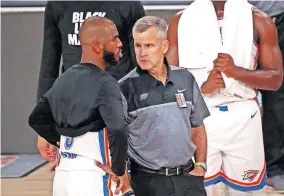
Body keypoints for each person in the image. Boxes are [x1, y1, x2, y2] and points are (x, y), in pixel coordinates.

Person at [167, 0, 283, 195]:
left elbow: (275, 79)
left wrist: (235, 71)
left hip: (244, 117)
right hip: (199, 117)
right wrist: (202, 88)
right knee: (197, 189)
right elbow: (167, 82)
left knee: (246, 191)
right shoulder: (181, 20)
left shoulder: (259, 20)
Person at [28, 17, 132, 196]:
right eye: (114, 38)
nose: (120, 43)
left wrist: (61, 142)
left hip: (63, 174)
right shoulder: (106, 83)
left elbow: (37, 118)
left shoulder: (64, 79)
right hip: (93, 174)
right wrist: (120, 169)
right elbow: (118, 129)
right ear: (98, 47)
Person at [36, 1, 145, 161]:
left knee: (121, 179)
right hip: (74, 114)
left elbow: (141, 65)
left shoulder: (128, 4)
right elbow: (49, 66)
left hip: (119, 111)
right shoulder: (58, 5)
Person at [118, 16, 209, 196]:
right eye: (138, 45)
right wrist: (127, 189)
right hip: (146, 183)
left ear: (164, 46)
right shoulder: (124, 88)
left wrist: (201, 166)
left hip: (188, 180)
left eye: (149, 46)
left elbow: (197, 127)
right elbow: (116, 142)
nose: (142, 53)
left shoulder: (186, 78)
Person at [250, 1, 284, 192]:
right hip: (243, 20)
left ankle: (275, 167)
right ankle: (272, 167)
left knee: (278, 97)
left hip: (278, 17)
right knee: (232, 89)